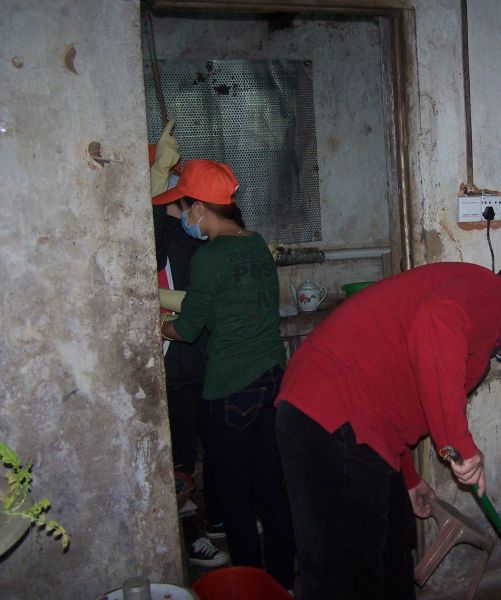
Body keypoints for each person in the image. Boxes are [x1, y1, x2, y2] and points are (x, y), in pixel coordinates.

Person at [275, 253, 501, 600]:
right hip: (328, 414)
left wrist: (409, 478)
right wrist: (459, 445)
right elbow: (435, 322)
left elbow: (399, 400)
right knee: (345, 575)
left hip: (358, 426)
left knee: (394, 547)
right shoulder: (487, 292)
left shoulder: (482, 325)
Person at [155, 159, 296, 592]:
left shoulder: (209, 257)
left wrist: (162, 325)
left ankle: (250, 586)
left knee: (235, 496)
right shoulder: (257, 244)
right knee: (271, 488)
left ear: (199, 208)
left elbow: (189, 329)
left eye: (183, 209)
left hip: (231, 388)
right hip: (272, 380)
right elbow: (235, 308)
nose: (183, 219)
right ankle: (282, 583)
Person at [149, 123, 228, 569]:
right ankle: (189, 534)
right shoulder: (160, 232)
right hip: (177, 363)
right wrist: (158, 173)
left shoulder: (202, 235)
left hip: (208, 361)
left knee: (216, 446)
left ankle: (215, 518)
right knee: (180, 455)